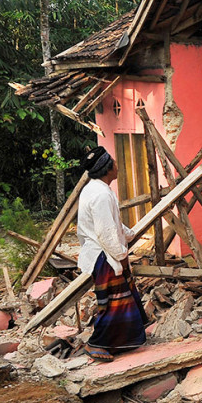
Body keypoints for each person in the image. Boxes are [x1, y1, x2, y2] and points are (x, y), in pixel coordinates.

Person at [77, 146, 147, 361]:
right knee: (113, 303)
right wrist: (121, 254)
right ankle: (97, 343)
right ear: (108, 168)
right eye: (114, 163)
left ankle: (124, 340)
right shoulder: (101, 195)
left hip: (101, 252)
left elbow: (112, 224)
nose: (117, 166)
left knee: (123, 298)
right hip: (104, 255)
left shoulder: (95, 190)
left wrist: (128, 233)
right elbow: (106, 232)